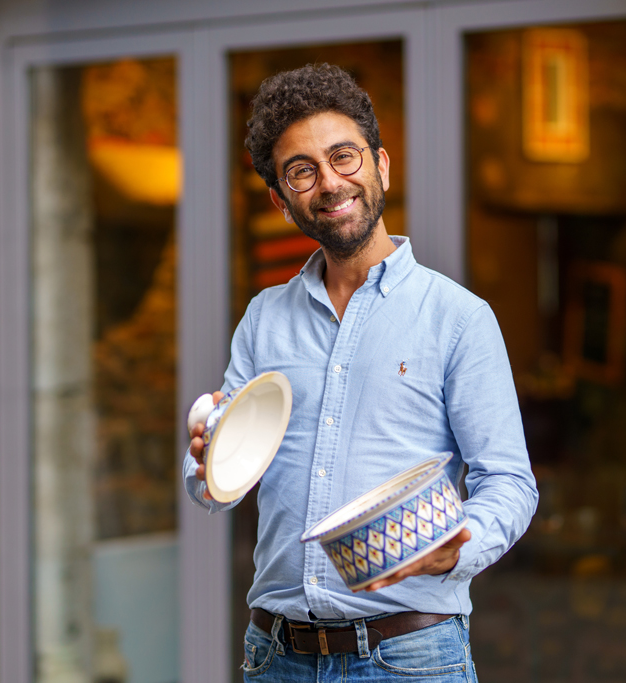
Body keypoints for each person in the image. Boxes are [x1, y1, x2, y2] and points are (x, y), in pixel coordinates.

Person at [184, 63, 537, 682]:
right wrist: (207, 465)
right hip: (276, 657)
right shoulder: (264, 319)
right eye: (302, 171)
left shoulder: (457, 317)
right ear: (281, 200)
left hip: (410, 658)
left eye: (343, 157)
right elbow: (216, 480)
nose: (329, 182)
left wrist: (456, 548)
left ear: (381, 165)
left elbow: (509, 482)